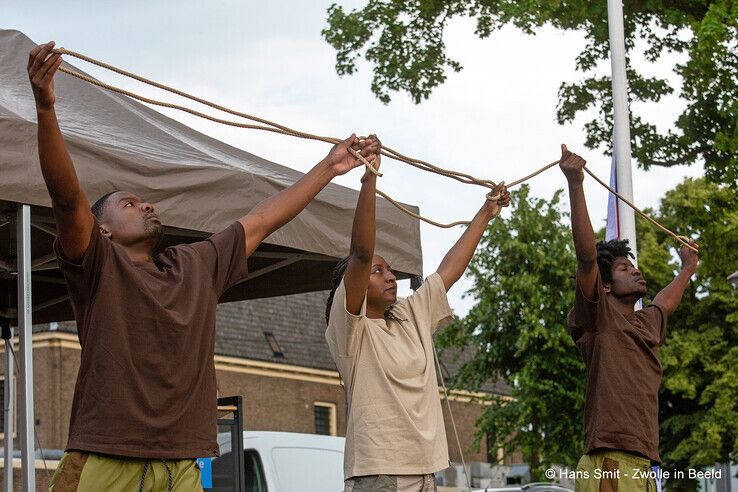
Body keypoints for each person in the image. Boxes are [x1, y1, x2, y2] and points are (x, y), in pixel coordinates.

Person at [28, 41, 381, 491]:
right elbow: (65, 197)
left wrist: (328, 166)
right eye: (130, 203)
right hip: (108, 455)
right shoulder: (97, 265)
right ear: (104, 232)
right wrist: (44, 108)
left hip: (182, 464)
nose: (147, 205)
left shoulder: (193, 265)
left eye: (145, 200)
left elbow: (263, 219)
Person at [325, 146, 511, 492]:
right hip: (377, 472)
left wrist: (486, 213)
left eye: (391, 270)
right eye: (378, 272)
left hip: (427, 471)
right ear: (352, 285)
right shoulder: (351, 330)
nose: (390, 276)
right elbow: (361, 253)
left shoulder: (411, 313)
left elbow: (448, 271)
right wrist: (369, 180)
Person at [559, 145, 699, 492]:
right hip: (609, 464)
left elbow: (663, 304)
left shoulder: (645, 324)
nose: (635, 271)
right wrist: (575, 184)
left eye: (633, 266)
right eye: (624, 268)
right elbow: (587, 256)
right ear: (605, 287)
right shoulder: (597, 316)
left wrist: (687, 269)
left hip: (643, 466)